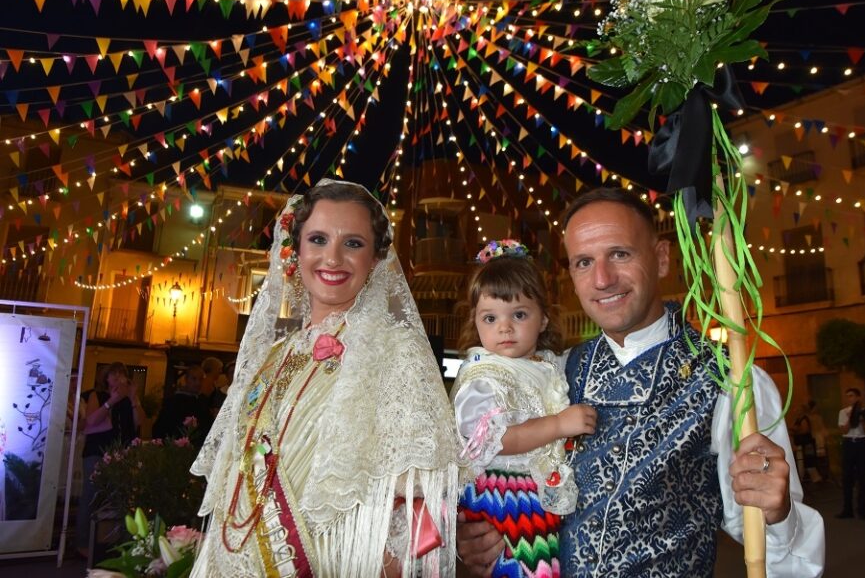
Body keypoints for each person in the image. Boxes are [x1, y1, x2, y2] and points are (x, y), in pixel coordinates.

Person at [458, 187, 824, 577]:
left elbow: (787, 559)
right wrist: (476, 539)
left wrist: (778, 512)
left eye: (619, 254)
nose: (602, 279)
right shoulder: (556, 372)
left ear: (662, 258)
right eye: (584, 262)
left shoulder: (731, 382)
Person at [189, 180, 461, 577]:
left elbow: (419, 506)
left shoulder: (395, 351)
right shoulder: (275, 356)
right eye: (318, 239)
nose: (332, 258)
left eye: (353, 243)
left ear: (375, 259)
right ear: (295, 251)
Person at [452, 240, 597, 577]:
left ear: (543, 319)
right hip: (502, 489)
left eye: (519, 314)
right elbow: (496, 440)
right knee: (530, 566)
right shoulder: (483, 376)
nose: (504, 327)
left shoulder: (546, 364)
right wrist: (559, 425)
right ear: (475, 322)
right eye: (490, 317)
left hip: (531, 486)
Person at [75, 362, 144, 557]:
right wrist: (111, 401)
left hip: (122, 453)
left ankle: (114, 541)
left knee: (118, 497)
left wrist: (133, 399)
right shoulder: (97, 395)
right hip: (97, 451)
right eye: (113, 374)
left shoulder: (128, 399)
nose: (118, 377)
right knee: (90, 495)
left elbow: (140, 422)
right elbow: (91, 421)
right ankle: (82, 542)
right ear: (106, 378)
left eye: (122, 374)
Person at [837, 388, 865, 519]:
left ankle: (862, 509)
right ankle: (847, 509)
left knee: (863, 477)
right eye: (847, 396)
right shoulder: (843, 412)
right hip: (848, 443)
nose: (849, 399)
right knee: (847, 477)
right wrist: (850, 418)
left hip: (862, 443)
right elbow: (844, 431)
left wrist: (862, 419)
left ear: (858, 397)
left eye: (851, 396)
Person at [152, 365, 210, 442]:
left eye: (201, 379)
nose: (198, 383)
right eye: (194, 378)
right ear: (186, 379)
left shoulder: (202, 401)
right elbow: (162, 426)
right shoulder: (173, 401)